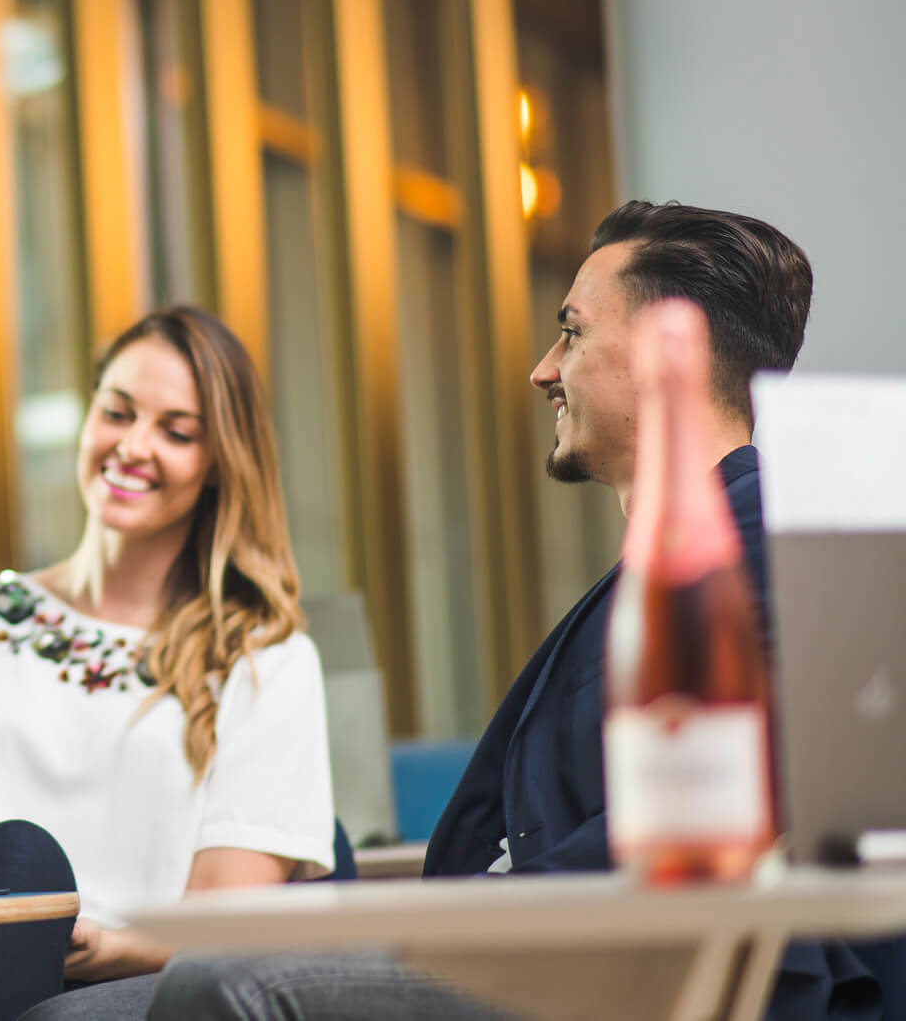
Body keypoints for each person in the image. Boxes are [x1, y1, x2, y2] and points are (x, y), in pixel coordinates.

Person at [122, 202, 879, 1021]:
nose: (543, 369)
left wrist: (460, 923)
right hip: (529, 951)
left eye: (573, 333)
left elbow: (736, 805)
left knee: (223, 986)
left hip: (607, 976)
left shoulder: (765, 544)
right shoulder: (676, 564)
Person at [0, 306, 336, 1018]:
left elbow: (229, 913)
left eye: (176, 431)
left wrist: (109, 942)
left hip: (140, 983)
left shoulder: (262, 657)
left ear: (220, 462)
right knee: (16, 861)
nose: (133, 446)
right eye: (117, 412)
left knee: (23, 866)